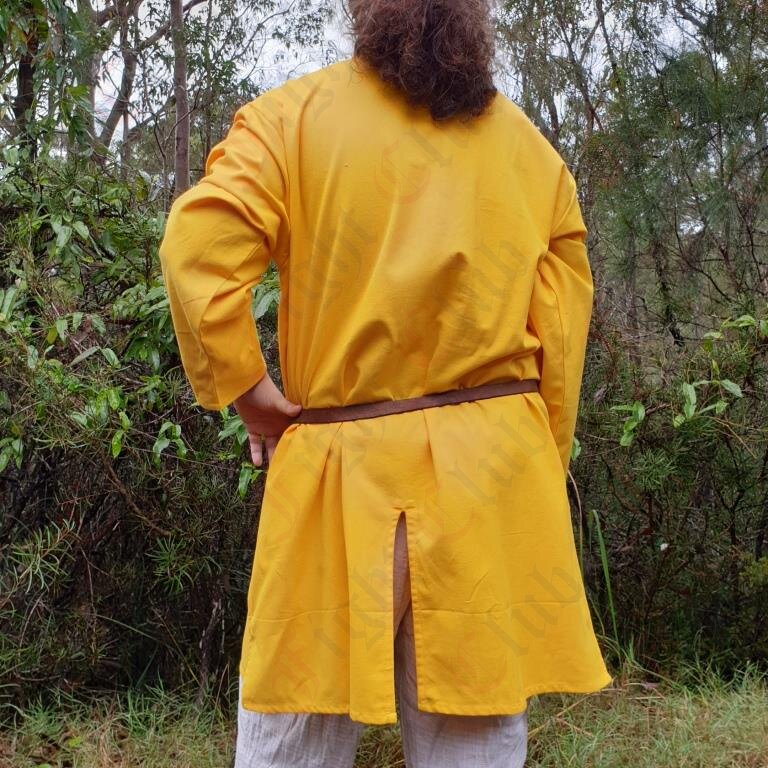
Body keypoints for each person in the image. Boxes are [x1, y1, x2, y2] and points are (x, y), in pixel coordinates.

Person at [158, 0, 614, 765]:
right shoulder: (531, 153)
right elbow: (560, 344)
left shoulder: (289, 122)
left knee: (292, 739)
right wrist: (538, 470)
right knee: (473, 742)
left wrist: (251, 393)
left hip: (339, 483)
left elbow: (195, 255)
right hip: (489, 485)